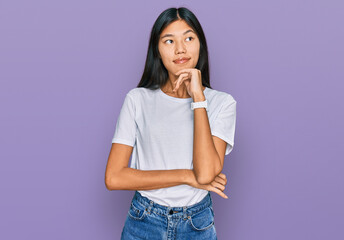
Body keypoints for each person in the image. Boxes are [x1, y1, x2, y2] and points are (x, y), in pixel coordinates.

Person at [105, 7, 237, 240]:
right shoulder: (138, 99)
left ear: (200, 45)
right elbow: (114, 177)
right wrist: (187, 176)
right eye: (169, 40)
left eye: (188, 38)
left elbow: (205, 174)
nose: (180, 49)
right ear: (157, 50)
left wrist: (198, 99)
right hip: (144, 220)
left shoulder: (222, 103)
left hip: (197, 224)